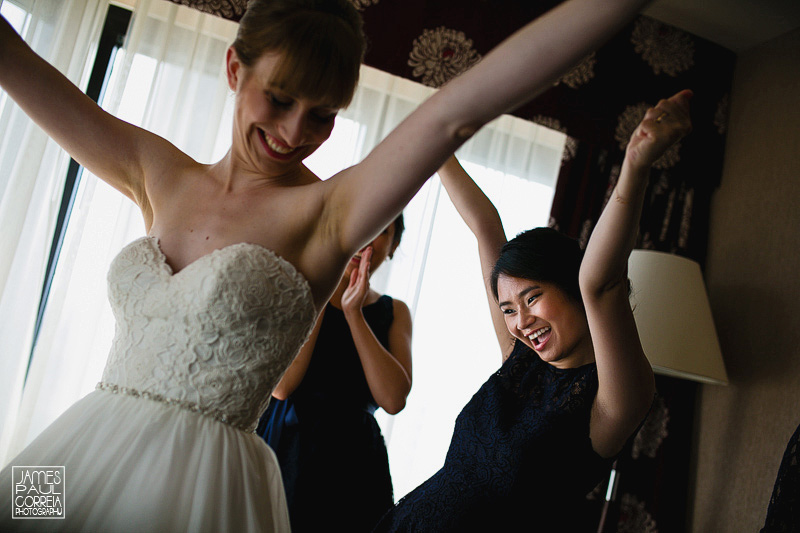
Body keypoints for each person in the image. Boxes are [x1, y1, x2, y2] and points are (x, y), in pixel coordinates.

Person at [0, 0, 655, 530]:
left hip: (198, 482)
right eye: (280, 99)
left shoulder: (326, 213)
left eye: (323, 115)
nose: (293, 132)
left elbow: (459, 113)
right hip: (84, 444)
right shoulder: (156, 171)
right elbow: (18, 63)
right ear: (235, 69)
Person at [372, 90, 693, 532]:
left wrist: (635, 166)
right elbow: (486, 228)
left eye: (532, 298)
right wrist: (436, 146)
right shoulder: (519, 361)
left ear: (571, 287)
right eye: (507, 308)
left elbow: (602, 283)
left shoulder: (614, 400)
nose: (519, 322)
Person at [258, 215, 411, 531]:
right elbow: (283, 386)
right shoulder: (302, 289)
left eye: (382, 230)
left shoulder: (394, 311)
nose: (368, 236)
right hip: (289, 443)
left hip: (354, 457)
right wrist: (325, 289)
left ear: (394, 245)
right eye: (364, 224)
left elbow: (394, 400)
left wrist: (355, 315)